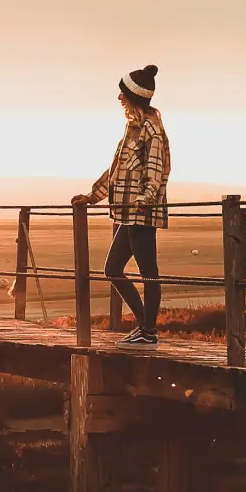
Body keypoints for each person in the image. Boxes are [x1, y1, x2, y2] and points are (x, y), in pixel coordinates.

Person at [73, 65, 169, 345]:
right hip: (126, 212)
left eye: (123, 94)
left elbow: (156, 168)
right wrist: (92, 196)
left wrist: (145, 200)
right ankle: (145, 326)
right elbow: (116, 169)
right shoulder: (132, 128)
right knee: (113, 269)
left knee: (148, 272)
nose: (119, 99)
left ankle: (148, 331)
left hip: (140, 211)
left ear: (133, 97)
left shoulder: (151, 129)